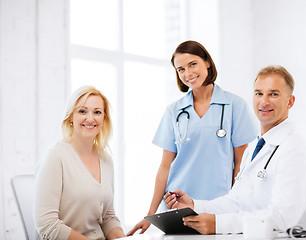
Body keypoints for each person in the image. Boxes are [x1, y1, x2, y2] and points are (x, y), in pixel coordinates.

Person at [164, 65, 306, 235]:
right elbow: (236, 201)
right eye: (259, 93)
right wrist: (195, 205)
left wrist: (218, 225)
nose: (264, 101)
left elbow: (281, 218)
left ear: (290, 101)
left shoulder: (294, 149)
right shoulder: (254, 147)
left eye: (273, 94)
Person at [127, 41, 258, 235]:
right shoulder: (174, 111)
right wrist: (150, 214)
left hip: (218, 208)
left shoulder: (234, 106)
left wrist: (235, 203)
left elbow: (241, 165)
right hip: (177, 207)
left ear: (207, 62)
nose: (187, 73)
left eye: (192, 64)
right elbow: (165, 166)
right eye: (180, 69)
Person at [34, 86, 125, 240]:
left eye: (97, 112)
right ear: (71, 116)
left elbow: (108, 217)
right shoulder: (55, 157)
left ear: (104, 118)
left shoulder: (106, 160)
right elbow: (47, 225)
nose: (90, 118)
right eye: (82, 111)